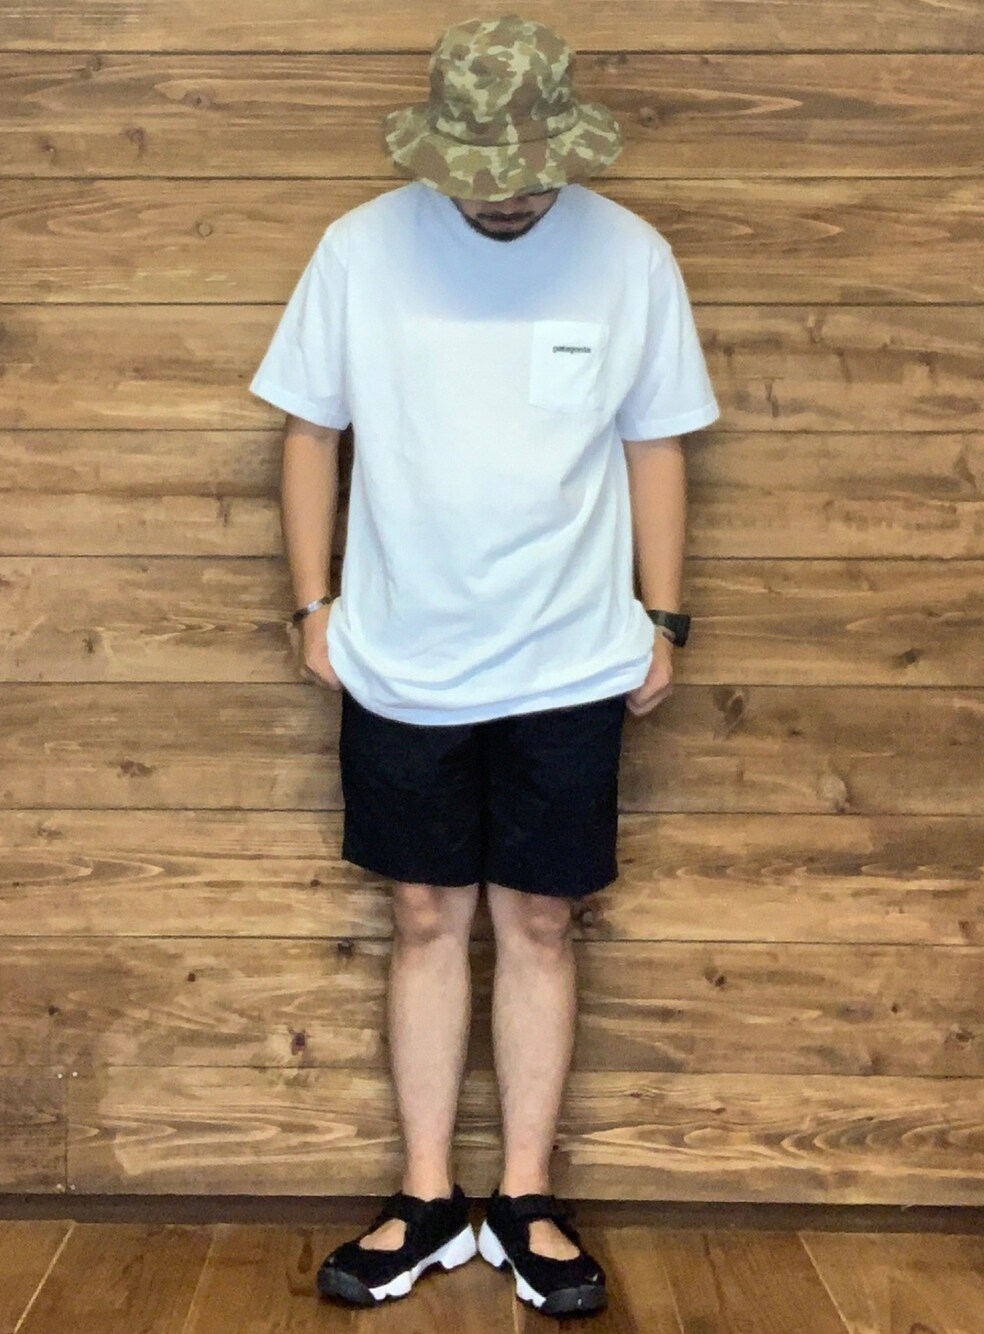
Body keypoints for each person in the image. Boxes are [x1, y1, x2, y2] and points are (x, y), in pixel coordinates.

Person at [248, 11, 720, 1318]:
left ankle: (522, 1198)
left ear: (567, 147)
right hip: (404, 656)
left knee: (542, 922)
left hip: (572, 660)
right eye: (479, 172)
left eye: (527, 170)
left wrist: (666, 617)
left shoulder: (631, 256)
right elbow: (308, 432)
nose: (504, 193)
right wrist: (313, 604)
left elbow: (657, 443)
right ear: (436, 151)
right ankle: (422, 1197)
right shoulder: (360, 248)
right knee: (421, 918)